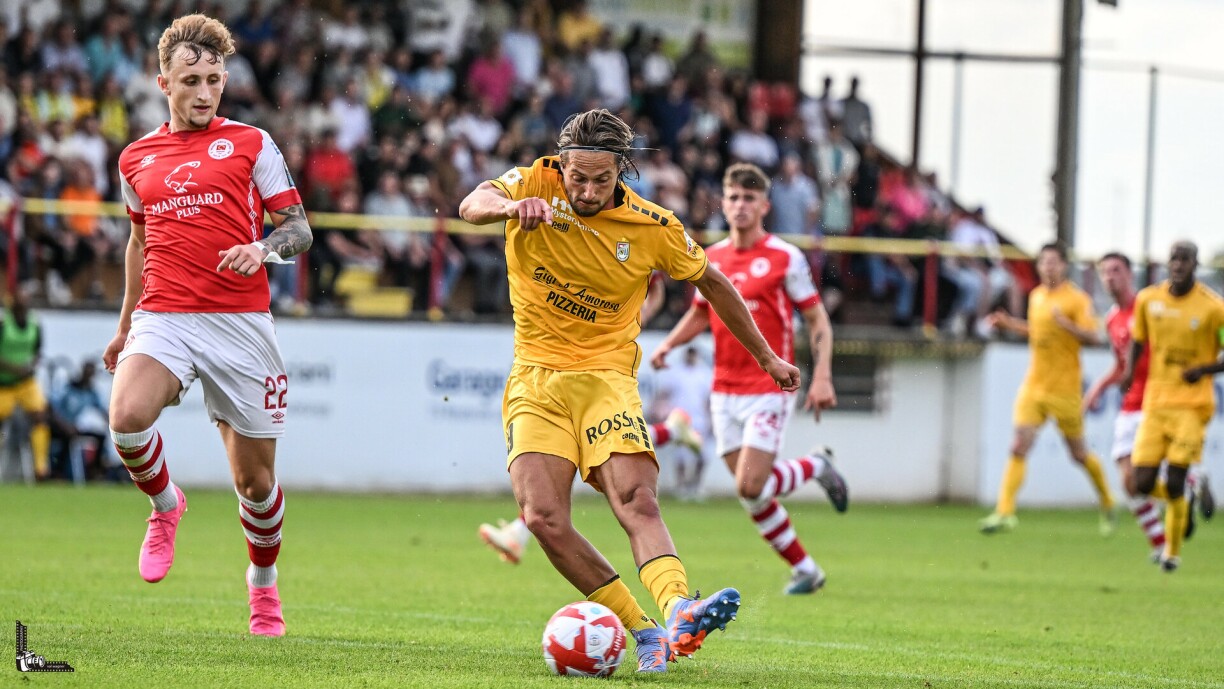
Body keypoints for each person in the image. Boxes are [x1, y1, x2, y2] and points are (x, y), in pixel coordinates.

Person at [459, 109, 800, 672]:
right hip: (536, 379)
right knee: (542, 517)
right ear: (561, 165)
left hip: (606, 380)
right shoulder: (534, 181)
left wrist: (766, 356)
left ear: (621, 171)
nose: (588, 191)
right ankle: (643, 631)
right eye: (578, 178)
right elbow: (473, 203)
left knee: (636, 499)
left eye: (602, 179)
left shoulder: (654, 226)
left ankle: (680, 610)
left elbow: (714, 283)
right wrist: (509, 207)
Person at [105, 14, 312, 637]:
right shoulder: (135, 158)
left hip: (240, 323)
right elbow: (139, 242)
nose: (204, 93)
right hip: (164, 315)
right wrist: (125, 325)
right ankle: (166, 506)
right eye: (191, 80)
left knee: (255, 484)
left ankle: (263, 586)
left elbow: (299, 229)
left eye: (214, 80)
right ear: (162, 82)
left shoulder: (252, 143)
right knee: (126, 418)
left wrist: (263, 248)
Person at [649, 163, 848, 596]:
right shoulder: (712, 257)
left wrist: (822, 376)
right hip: (724, 390)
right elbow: (700, 313)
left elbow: (818, 320)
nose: (740, 206)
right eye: (734, 197)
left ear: (764, 207)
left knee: (750, 484)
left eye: (749, 198)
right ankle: (807, 569)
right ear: (723, 203)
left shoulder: (785, 257)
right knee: (752, 494)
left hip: (769, 387)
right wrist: (668, 345)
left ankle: (816, 466)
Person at [979, 243, 1116, 534]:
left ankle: (1107, 501)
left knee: (1078, 455)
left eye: (1053, 262)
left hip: (1065, 389)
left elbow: (1094, 337)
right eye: (1043, 262)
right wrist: (1009, 324)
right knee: (1018, 446)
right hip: (1034, 386)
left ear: (1064, 265)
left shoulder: (1076, 299)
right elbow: (1037, 330)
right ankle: (1005, 512)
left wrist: (1067, 325)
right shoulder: (1037, 296)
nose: (1048, 267)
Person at [1121, 241, 1224, 572]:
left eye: (1185, 259)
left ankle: (1171, 553)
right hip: (1155, 402)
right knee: (1141, 483)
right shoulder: (1149, 300)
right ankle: (1191, 493)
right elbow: (1138, 340)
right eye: (1174, 259)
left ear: (1195, 264)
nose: (1178, 265)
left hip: (1193, 406)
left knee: (1175, 480)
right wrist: (1128, 372)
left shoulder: (1213, 308)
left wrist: (1203, 370)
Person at [0, 291, 51, 480]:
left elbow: (37, 351)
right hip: (4, 385)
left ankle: (41, 468)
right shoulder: (3, 324)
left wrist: (30, 365)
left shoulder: (34, 324)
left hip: (25, 383)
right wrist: (15, 369)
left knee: (40, 416)